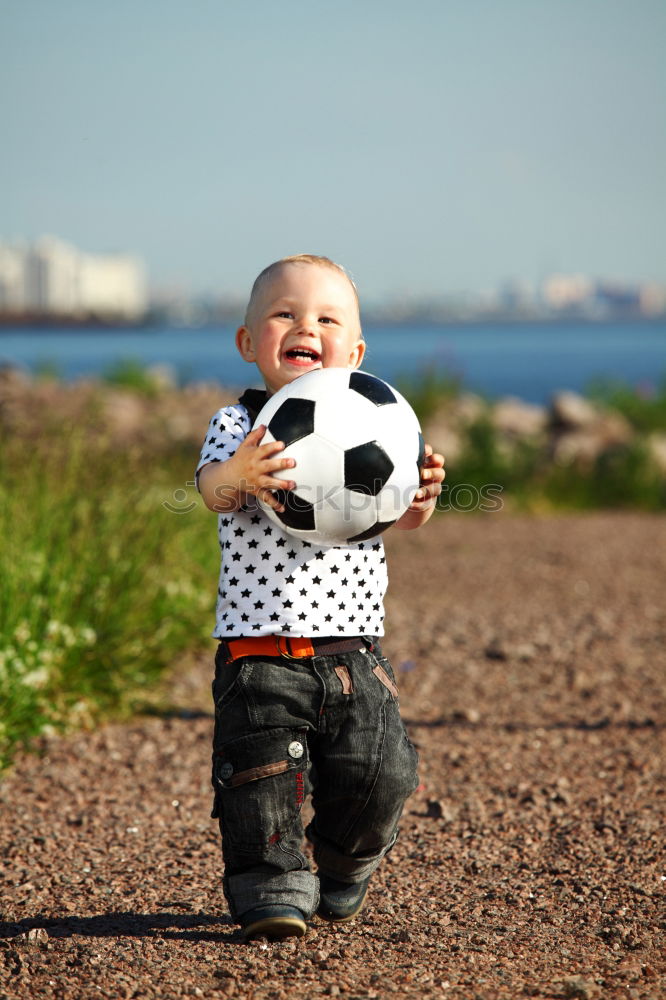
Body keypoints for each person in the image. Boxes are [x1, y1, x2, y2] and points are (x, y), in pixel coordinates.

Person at [196, 254, 445, 941]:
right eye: (284, 314)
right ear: (249, 344)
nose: (305, 326)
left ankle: (343, 862)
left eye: (326, 318)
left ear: (356, 352)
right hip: (259, 652)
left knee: (382, 773)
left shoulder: (384, 422)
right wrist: (241, 472)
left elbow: (401, 519)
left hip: (353, 653)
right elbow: (213, 490)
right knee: (259, 779)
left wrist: (420, 497)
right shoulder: (237, 423)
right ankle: (271, 886)